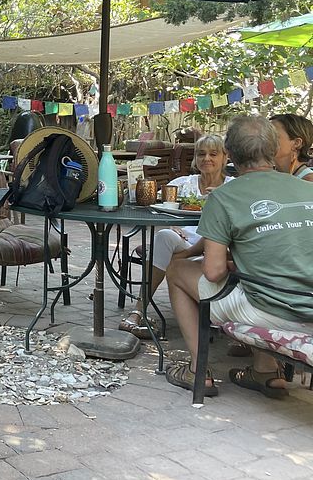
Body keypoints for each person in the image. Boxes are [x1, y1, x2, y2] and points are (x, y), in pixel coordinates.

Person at [164, 116, 313, 399]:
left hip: (273, 311)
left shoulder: (223, 197)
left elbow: (213, 272)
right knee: (254, 279)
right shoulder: (309, 188)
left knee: (177, 270)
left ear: (229, 154)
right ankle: (265, 372)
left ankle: (198, 370)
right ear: (273, 150)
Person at [119, 134, 231, 338]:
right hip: (184, 242)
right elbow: (157, 206)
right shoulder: (182, 183)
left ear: (225, 157)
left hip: (217, 248)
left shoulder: (233, 188)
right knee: (164, 236)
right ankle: (138, 311)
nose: (206, 158)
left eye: (213, 154)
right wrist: (171, 224)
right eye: (201, 154)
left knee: (165, 249)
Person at [270, 113, 313, 182]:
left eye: (272, 136)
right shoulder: (268, 175)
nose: (264, 139)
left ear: (296, 143)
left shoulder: (309, 181)